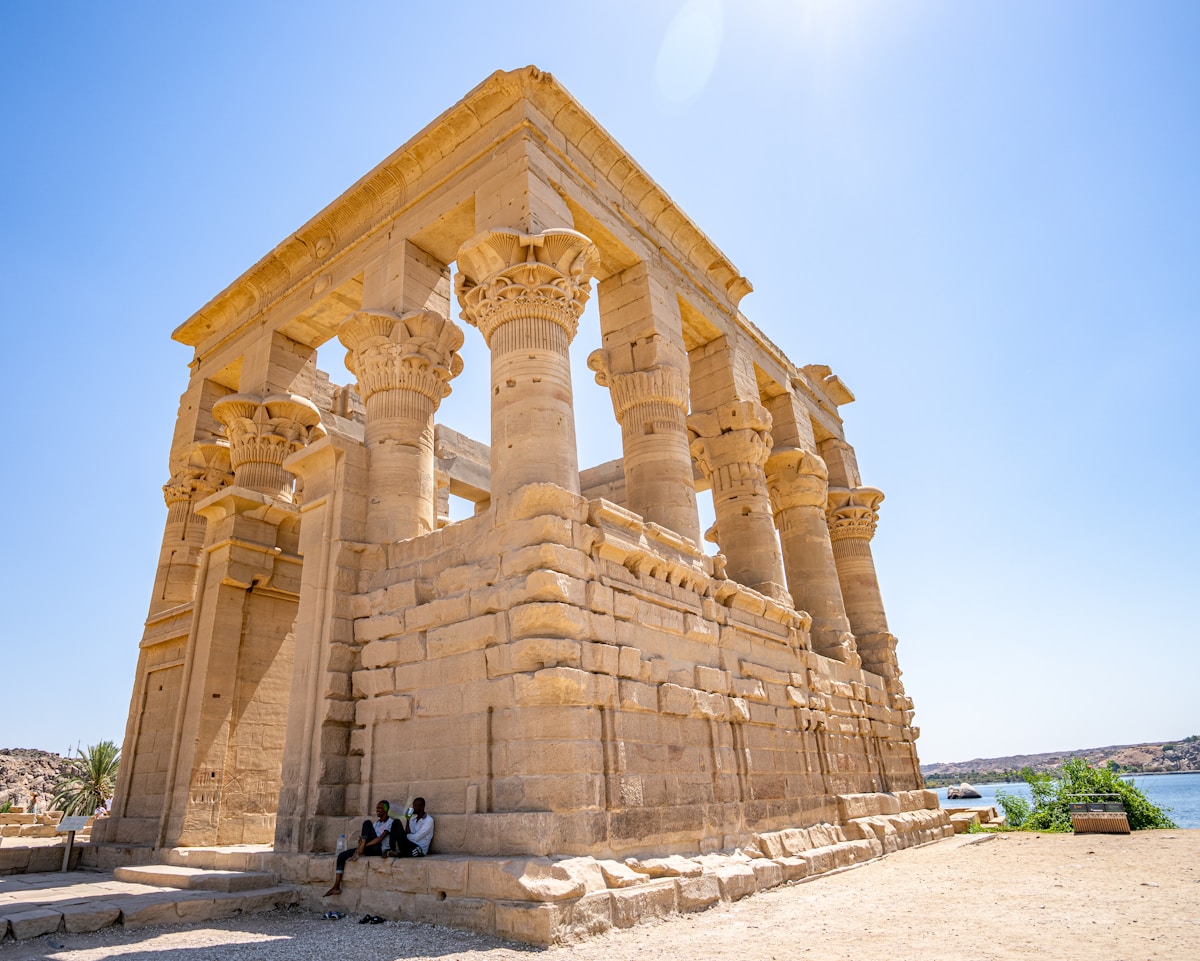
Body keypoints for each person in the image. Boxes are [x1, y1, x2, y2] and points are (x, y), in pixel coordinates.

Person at [324, 800, 393, 896]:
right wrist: (361, 843)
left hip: (379, 849)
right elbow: (368, 836)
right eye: (376, 808)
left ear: (386, 809)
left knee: (367, 822)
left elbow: (379, 839)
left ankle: (360, 851)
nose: (377, 810)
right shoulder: (376, 824)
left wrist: (362, 846)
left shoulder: (390, 822)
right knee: (342, 855)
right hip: (368, 847)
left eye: (379, 808)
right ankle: (336, 886)